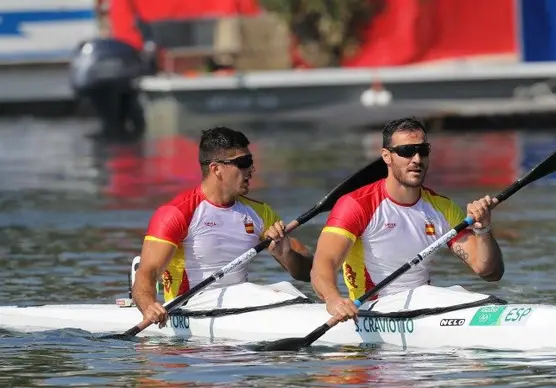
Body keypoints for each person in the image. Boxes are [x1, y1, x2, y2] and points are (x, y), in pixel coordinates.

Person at [310, 117, 504, 323]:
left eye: (423, 150)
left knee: (462, 293)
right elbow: (324, 263)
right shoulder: (356, 205)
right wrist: (333, 300)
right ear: (386, 156)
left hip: (423, 306)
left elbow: (489, 272)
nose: (417, 159)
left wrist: (483, 230)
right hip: (373, 309)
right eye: (406, 151)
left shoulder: (443, 208)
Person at [132, 126, 313, 328]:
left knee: (287, 288)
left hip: (240, 303)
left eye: (251, 162)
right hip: (189, 305)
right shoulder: (176, 213)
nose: (251, 170)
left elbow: (308, 273)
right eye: (243, 163)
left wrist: (286, 255)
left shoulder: (260, 213)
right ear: (216, 169)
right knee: (276, 293)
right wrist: (149, 306)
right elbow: (147, 273)